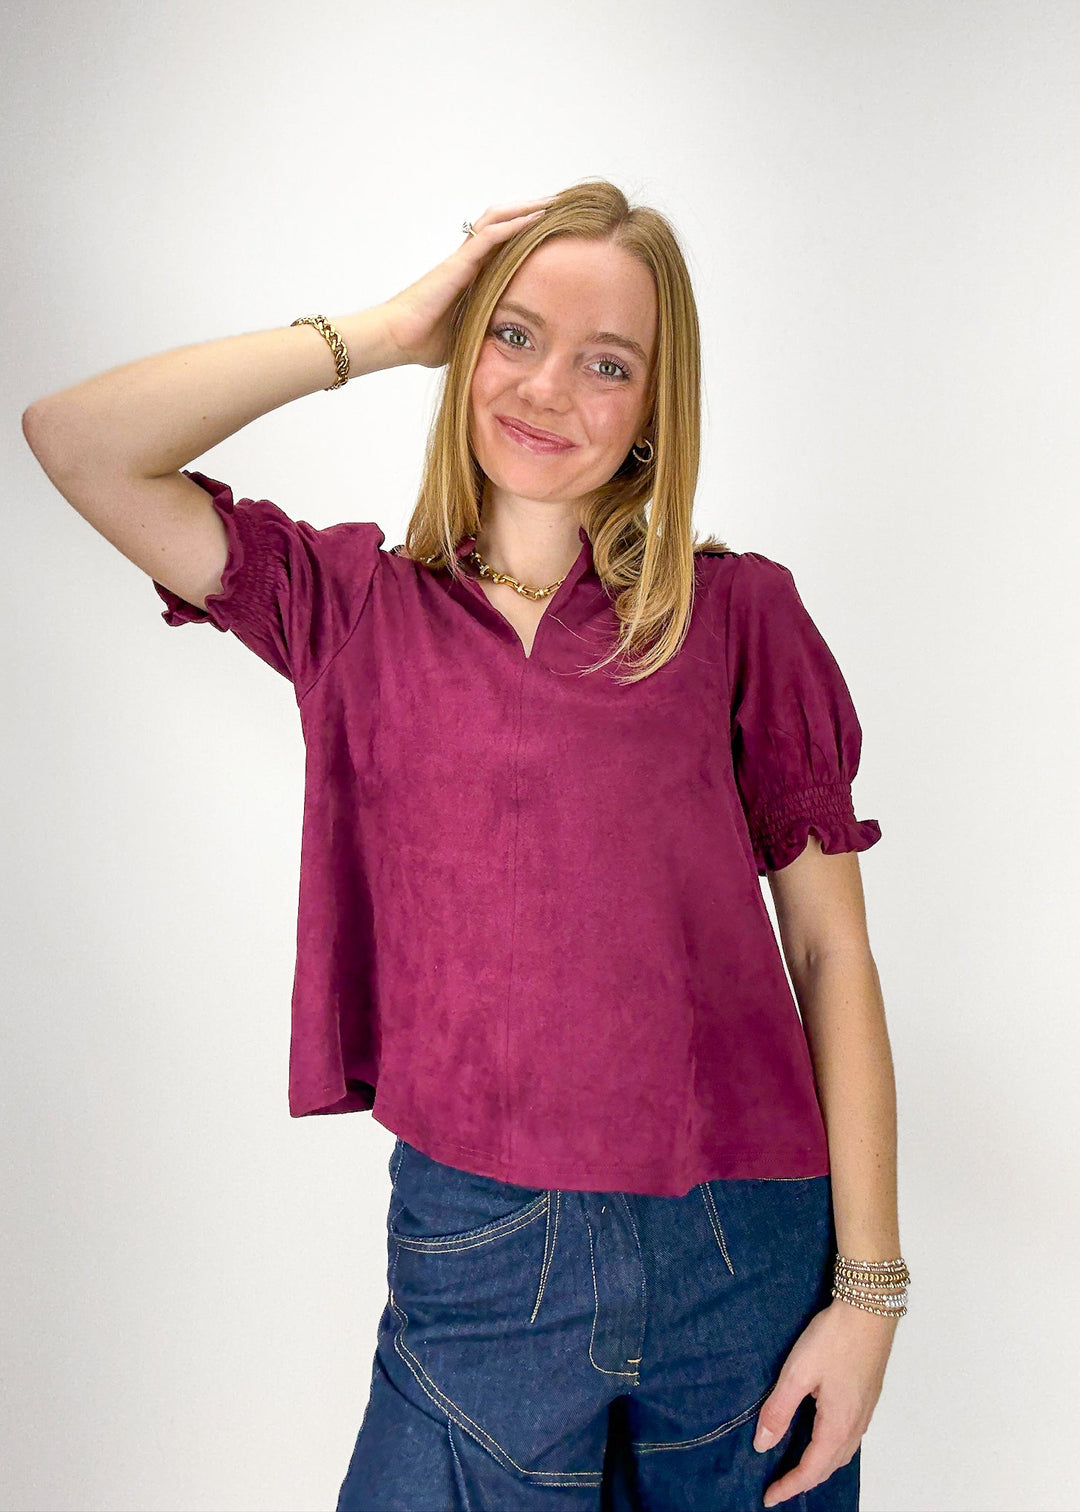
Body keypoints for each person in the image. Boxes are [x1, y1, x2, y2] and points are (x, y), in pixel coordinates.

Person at [22, 178, 906, 1511]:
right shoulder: (351, 610)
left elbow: (832, 951)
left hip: (745, 1251)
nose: (551, 389)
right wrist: (383, 330)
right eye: (516, 335)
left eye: (608, 363)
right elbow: (79, 441)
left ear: (658, 410)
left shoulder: (737, 616)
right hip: (483, 1259)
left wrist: (870, 1295)